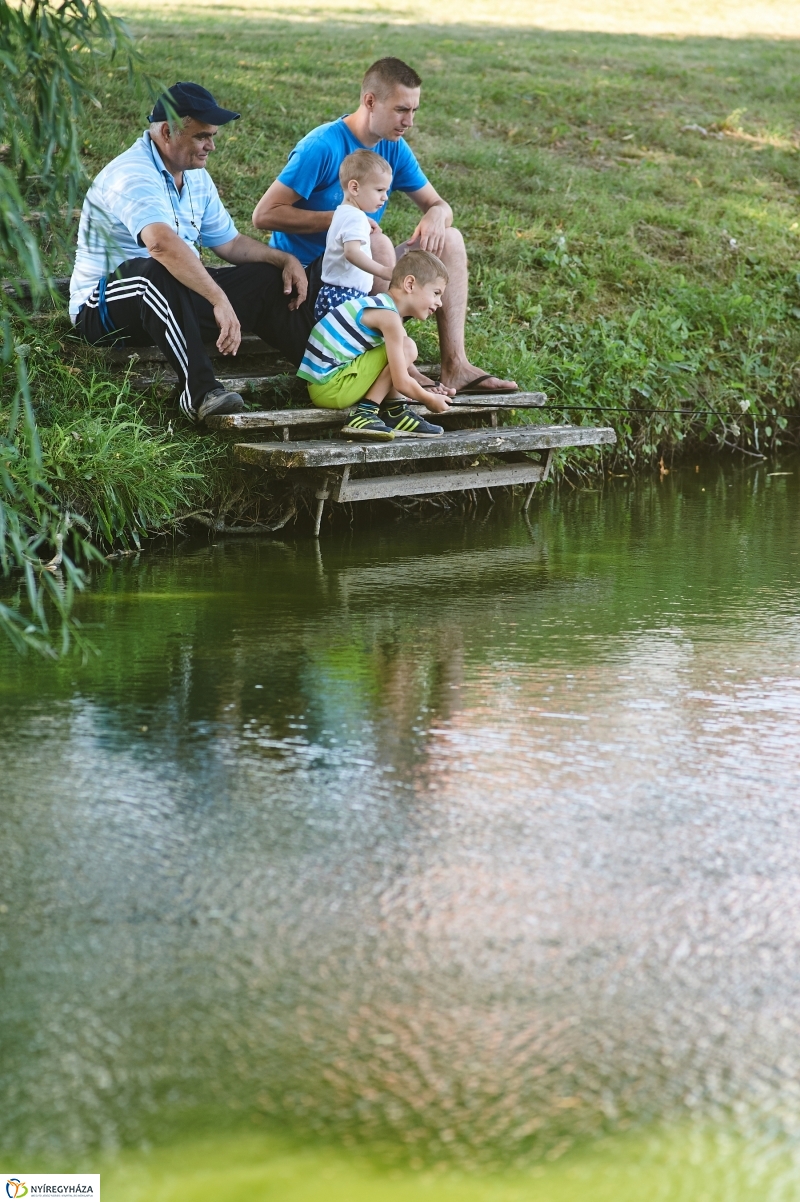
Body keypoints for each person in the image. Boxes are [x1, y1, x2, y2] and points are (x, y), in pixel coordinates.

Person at [253, 56, 518, 396]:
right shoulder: (322, 146)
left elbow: (438, 204)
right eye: (400, 110)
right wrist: (343, 219)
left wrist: (438, 212)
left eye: (414, 111)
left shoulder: (393, 148)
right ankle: (400, 368)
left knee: (450, 239)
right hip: (316, 279)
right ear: (370, 101)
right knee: (379, 243)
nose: (409, 121)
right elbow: (263, 214)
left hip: (360, 275)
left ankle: (456, 366)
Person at [69, 82, 311, 424]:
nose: (211, 145)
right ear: (167, 131)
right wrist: (218, 299)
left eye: (212, 136)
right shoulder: (132, 173)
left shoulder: (196, 178)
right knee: (153, 271)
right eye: (202, 136)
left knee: (267, 277)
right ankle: (198, 393)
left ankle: (327, 372)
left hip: (170, 304)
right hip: (104, 308)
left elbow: (229, 244)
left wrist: (281, 259)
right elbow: (161, 245)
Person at [298, 249, 451, 441]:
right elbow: (400, 381)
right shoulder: (389, 317)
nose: (440, 303)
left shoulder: (382, 307)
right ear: (410, 284)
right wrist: (429, 400)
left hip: (328, 385)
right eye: (436, 293)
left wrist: (424, 387)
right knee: (407, 347)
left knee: (404, 346)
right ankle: (364, 413)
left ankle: (396, 412)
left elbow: (399, 372)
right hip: (331, 388)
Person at [314, 149, 394, 323]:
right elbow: (352, 252)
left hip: (331, 293)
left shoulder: (342, 213)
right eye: (380, 190)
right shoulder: (356, 217)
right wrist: (383, 271)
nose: (385, 197)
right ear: (354, 187)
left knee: (331, 343)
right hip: (345, 295)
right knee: (345, 345)